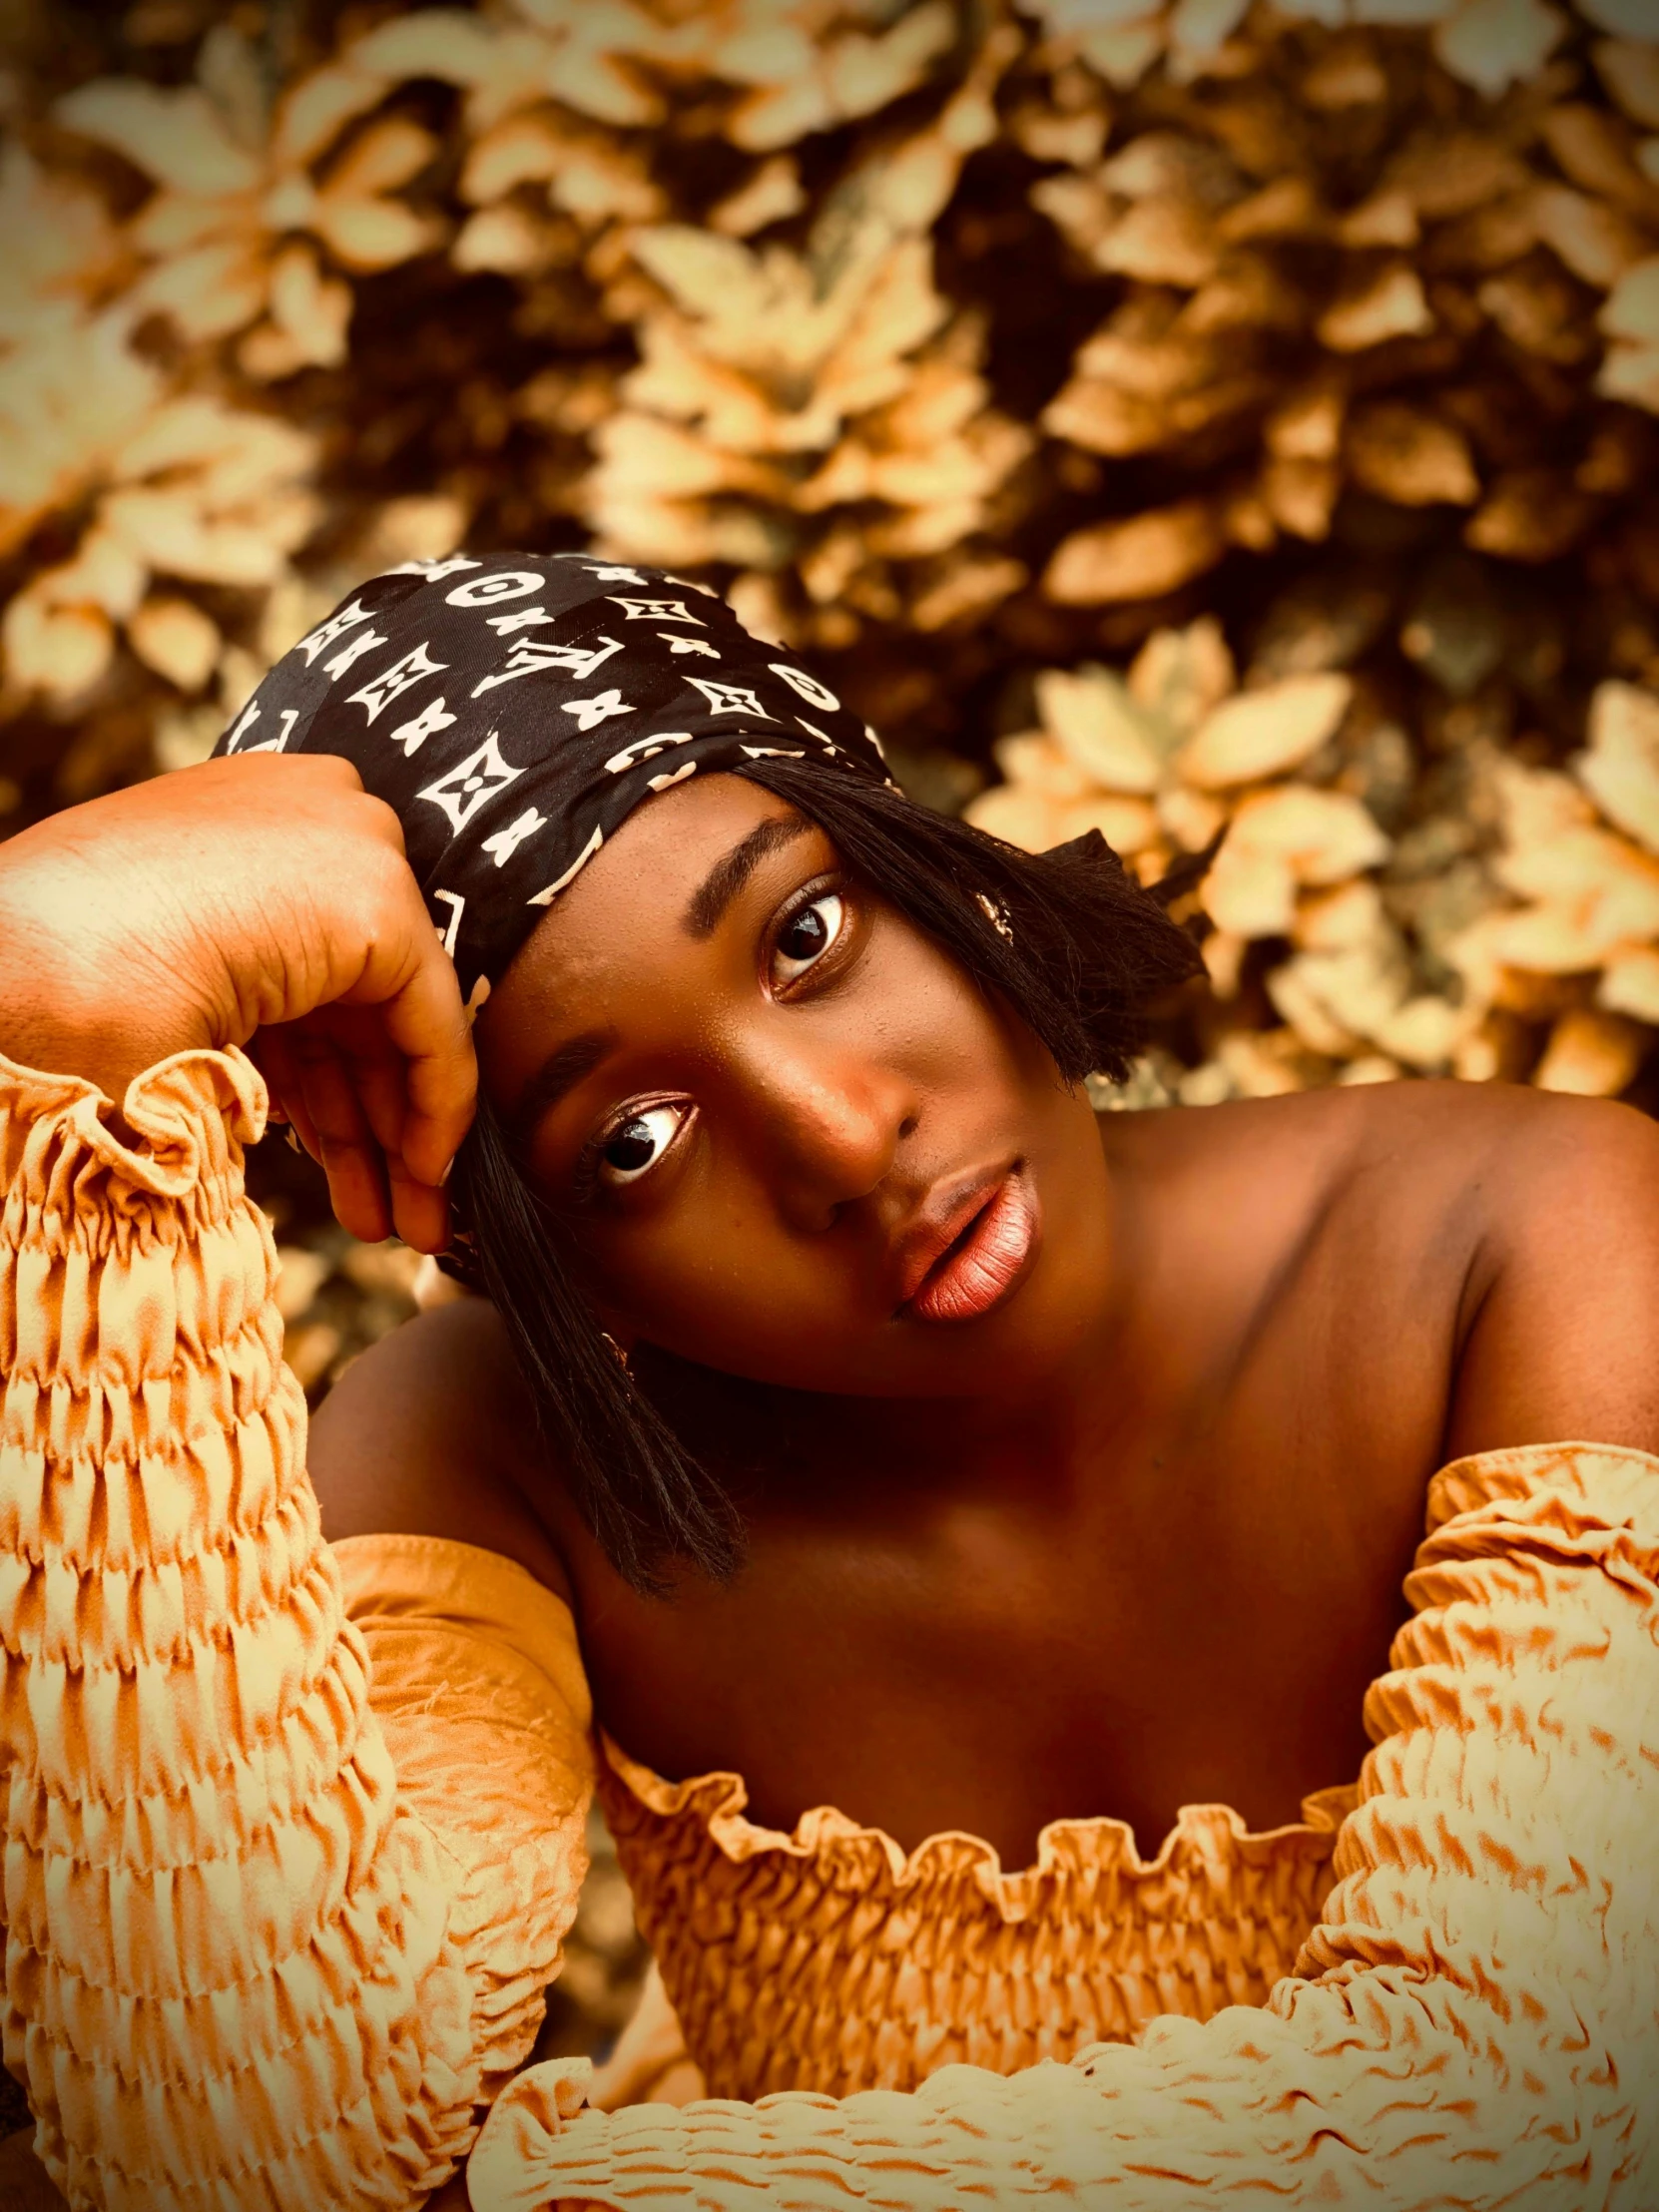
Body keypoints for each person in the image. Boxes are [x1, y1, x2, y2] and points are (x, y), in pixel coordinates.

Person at [0, 552, 1655, 2212]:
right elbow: (246, 2146)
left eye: (807, 931)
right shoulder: (482, 1449)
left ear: (912, 856)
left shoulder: (1531, 1244)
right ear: (541, 1270)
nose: (849, 1137)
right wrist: (65, 1026)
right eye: (632, 1146)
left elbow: (1515, 2112)